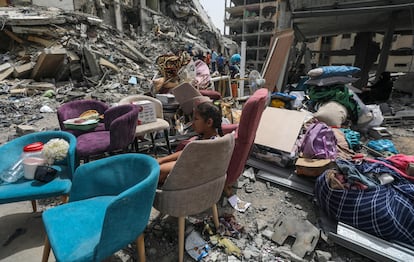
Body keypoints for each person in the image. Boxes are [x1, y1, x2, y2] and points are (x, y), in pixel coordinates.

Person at [157, 101, 224, 184]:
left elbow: (188, 160)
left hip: (195, 179)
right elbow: (186, 152)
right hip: (191, 170)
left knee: (158, 172)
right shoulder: (205, 138)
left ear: (209, 122)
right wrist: (161, 160)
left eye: (196, 119)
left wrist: (161, 163)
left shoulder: (210, 145)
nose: (192, 123)